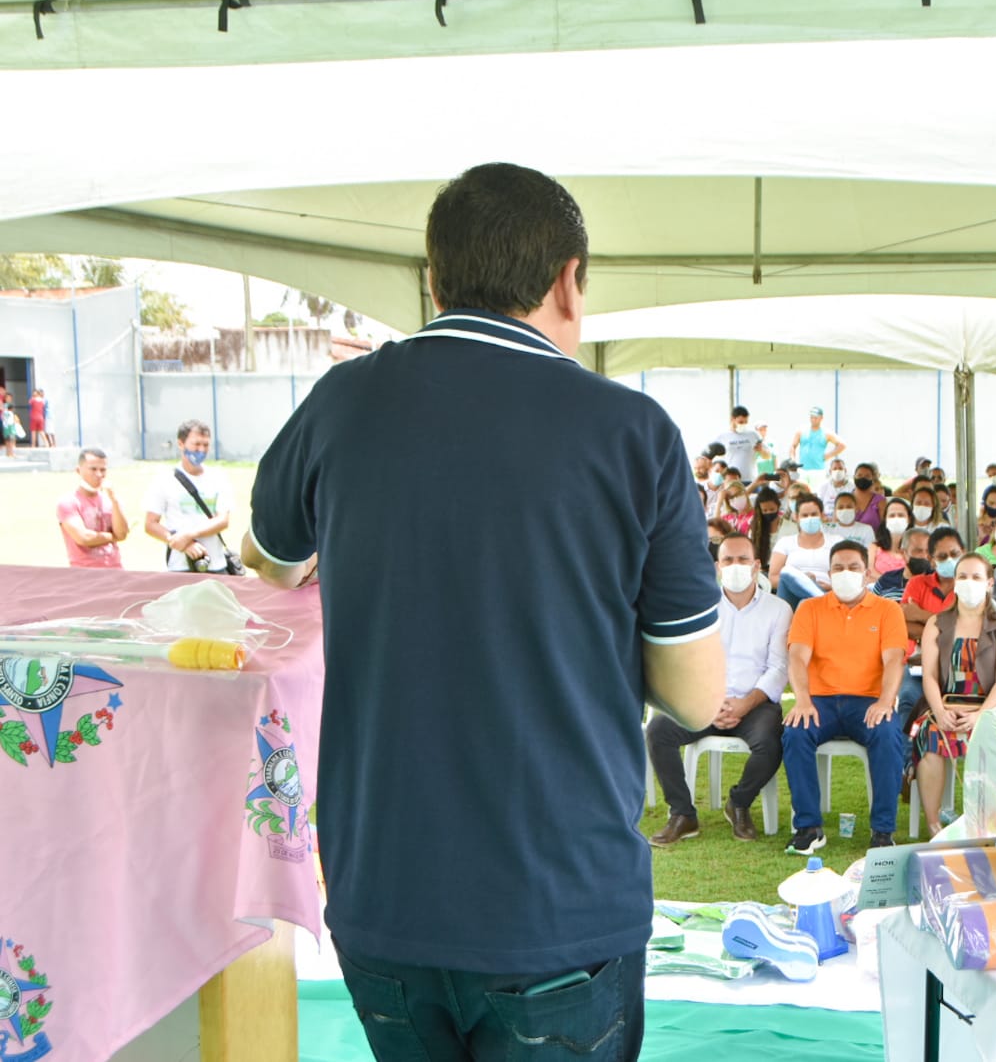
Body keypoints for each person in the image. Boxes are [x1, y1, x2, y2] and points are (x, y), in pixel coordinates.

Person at [242, 163, 723, 1061]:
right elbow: (696, 698)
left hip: (383, 894)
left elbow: (269, 558)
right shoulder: (633, 431)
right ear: (569, 282)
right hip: (560, 902)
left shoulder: (342, 401)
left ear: (434, 279)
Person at [647, 534, 789, 846]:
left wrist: (744, 703)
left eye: (742, 560)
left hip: (755, 703)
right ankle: (683, 813)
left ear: (756, 566)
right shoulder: (700, 606)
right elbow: (687, 660)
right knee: (659, 730)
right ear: (717, 566)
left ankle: (739, 803)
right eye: (728, 560)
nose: (735, 566)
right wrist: (711, 702)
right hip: (706, 698)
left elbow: (778, 668)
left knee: (772, 740)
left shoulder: (778, 610)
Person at [782, 540, 908, 853]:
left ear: (867, 574)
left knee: (889, 733)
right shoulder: (810, 608)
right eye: (838, 567)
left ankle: (882, 830)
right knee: (795, 731)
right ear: (829, 572)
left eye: (853, 567)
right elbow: (797, 657)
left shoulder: (888, 610)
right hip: (820, 701)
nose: (845, 573)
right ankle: (809, 827)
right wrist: (802, 700)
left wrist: (884, 701)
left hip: (868, 702)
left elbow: (894, 659)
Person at [912, 553, 996, 829]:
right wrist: (939, 711)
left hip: (991, 708)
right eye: (962, 576)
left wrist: (980, 716)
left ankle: (987, 821)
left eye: (975, 577)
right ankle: (934, 823)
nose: (968, 582)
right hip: (945, 704)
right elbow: (929, 676)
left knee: (991, 739)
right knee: (930, 737)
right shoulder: (936, 624)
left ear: (988, 583)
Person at [144, 419, 234, 574]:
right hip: (180, 566)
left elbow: (222, 520)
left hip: (215, 564)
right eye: (196, 444)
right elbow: (151, 524)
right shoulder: (164, 480)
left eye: (205, 445)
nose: (201, 450)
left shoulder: (218, 478)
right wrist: (182, 543)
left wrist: (190, 534)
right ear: (181, 444)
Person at [57, 446, 128, 568]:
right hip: (85, 574)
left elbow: (122, 533)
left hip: (115, 571)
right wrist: (112, 536)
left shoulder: (110, 500)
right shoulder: (68, 502)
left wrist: (114, 500)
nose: (99, 474)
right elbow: (84, 538)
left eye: (103, 470)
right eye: (93, 469)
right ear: (78, 471)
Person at [769, 494, 839, 608]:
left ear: (822, 515)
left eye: (814, 514)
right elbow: (773, 578)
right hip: (792, 596)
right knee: (787, 573)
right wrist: (801, 581)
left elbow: (845, 572)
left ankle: (818, 596)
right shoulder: (785, 542)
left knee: (804, 604)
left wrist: (832, 587)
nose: (809, 518)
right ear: (796, 517)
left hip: (828, 590)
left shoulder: (836, 541)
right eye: (805, 515)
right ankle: (820, 599)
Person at [903, 527, 965, 648]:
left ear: (964, 552)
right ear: (931, 560)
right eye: (942, 556)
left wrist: (920, 615)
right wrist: (947, 633)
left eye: (954, 554)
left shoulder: (972, 586)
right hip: (919, 661)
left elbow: (966, 628)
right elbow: (905, 625)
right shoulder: (917, 583)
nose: (950, 560)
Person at [871, 527, 932, 602]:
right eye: (918, 551)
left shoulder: (940, 582)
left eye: (928, 551)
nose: (924, 556)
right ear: (903, 553)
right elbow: (872, 608)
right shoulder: (886, 579)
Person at [789, 407, 846, 486]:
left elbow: (842, 445)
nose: (813, 419)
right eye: (811, 417)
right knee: (802, 495)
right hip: (803, 470)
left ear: (821, 418)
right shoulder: (801, 430)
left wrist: (828, 455)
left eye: (816, 417)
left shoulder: (826, 433)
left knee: (817, 495)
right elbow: (793, 446)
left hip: (818, 471)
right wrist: (793, 459)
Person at [713, 405, 767, 483]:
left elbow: (767, 456)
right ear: (732, 419)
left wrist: (761, 450)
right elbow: (715, 459)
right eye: (740, 422)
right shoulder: (722, 437)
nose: (743, 425)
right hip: (731, 480)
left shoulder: (753, 435)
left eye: (746, 422)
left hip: (751, 479)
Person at [849, 463, 887, 530]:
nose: (863, 478)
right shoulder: (845, 498)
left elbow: (885, 527)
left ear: (872, 478)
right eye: (859, 475)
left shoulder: (880, 501)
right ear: (854, 477)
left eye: (867, 476)